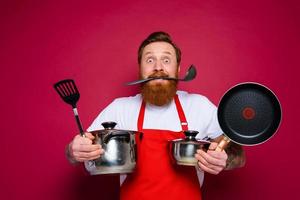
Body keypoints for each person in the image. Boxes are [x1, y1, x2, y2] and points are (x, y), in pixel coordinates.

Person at [66, 31, 246, 200]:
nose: (158, 67)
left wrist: (224, 159)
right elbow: (79, 151)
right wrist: (75, 152)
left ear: (178, 68)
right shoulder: (120, 109)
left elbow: (238, 154)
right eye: (150, 60)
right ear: (140, 68)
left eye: (166, 60)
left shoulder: (198, 106)